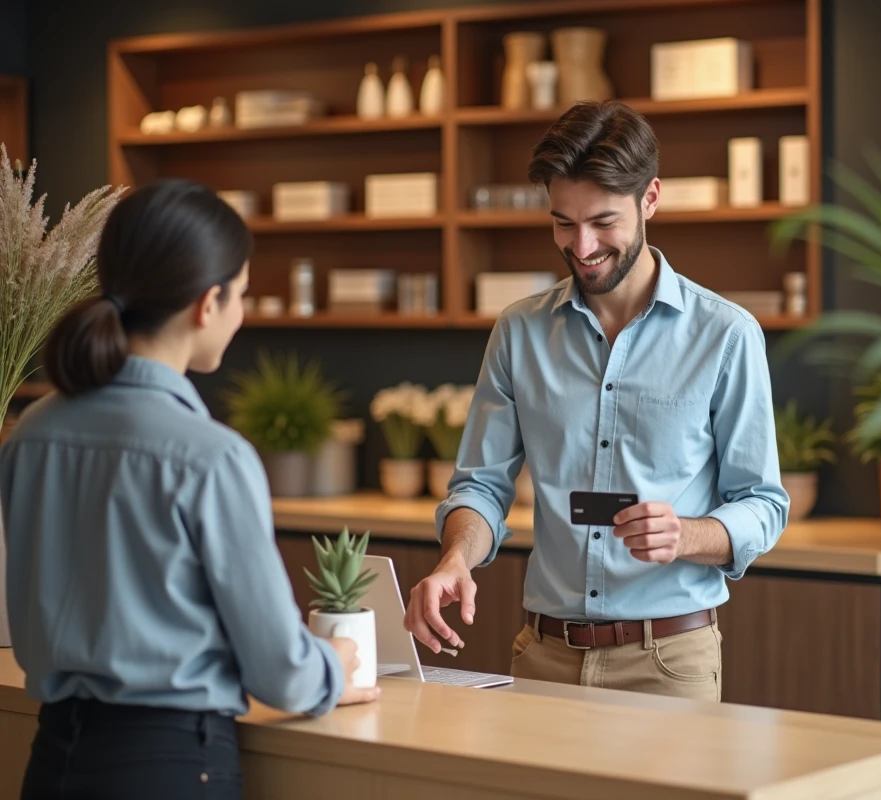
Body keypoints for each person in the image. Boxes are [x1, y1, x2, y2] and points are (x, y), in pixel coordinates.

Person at [0, 178, 380, 800]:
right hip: (169, 766)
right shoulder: (211, 456)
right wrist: (334, 662)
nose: (240, 312)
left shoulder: (31, 432)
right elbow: (281, 672)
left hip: (53, 760)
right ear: (208, 304)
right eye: (242, 294)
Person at [404, 100, 789, 702]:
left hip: (669, 663)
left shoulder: (726, 335)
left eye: (603, 222)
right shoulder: (519, 331)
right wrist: (456, 560)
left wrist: (686, 535)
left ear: (651, 199)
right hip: (543, 656)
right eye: (563, 223)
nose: (581, 246)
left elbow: (764, 504)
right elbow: (480, 486)